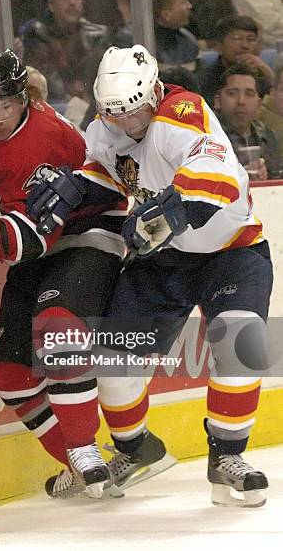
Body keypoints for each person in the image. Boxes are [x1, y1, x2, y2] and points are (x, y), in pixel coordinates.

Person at [27, 44, 274, 508]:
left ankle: (227, 459)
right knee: (114, 363)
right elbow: (110, 170)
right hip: (165, 259)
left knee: (241, 343)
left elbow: (217, 176)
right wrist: (76, 183)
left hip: (232, 250)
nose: (128, 125)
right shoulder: (104, 126)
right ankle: (136, 449)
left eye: (136, 112)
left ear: (154, 91)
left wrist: (172, 214)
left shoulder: (182, 111)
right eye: (116, 115)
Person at [0, 48, 174, 499]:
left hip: (87, 235)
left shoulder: (39, 141)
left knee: (58, 331)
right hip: (38, 248)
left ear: (24, 98)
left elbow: (32, 238)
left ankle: (85, 450)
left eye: (7, 106)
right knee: (9, 372)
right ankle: (84, 466)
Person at [214, 63, 283, 180]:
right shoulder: (207, 138)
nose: (241, 101)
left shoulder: (272, 138)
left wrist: (266, 176)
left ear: (259, 103)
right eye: (232, 93)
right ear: (217, 101)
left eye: (249, 94)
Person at [198, 15, 274, 107]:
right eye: (237, 38)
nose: (245, 45)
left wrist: (270, 77)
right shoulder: (204, 80)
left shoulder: (262, 76)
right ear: (219, 46)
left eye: (251, 39)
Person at [152, 0, 200, 72]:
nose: (189, 6)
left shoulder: (189, 41)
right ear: (166, 15)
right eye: (184, 2)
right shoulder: (135, 42)